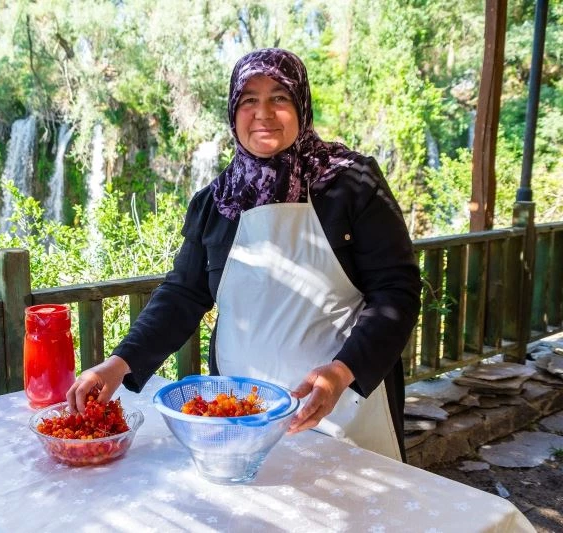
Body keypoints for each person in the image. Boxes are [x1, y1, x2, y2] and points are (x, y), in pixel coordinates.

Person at [67, 48, 421, 461]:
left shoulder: (351, 182)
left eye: (279, 97)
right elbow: (183, 293)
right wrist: (119, 363)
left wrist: (342, 372)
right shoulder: (216, 202)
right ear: (234, 111)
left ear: (301, 106)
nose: (263, 113)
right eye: (249, 99)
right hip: (240, 413)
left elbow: (396, 290)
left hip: (340, 406)